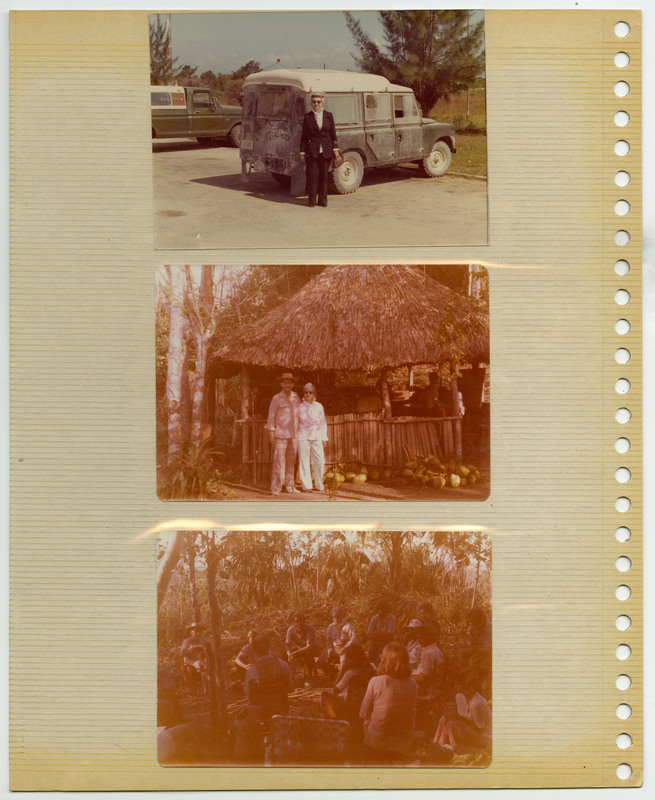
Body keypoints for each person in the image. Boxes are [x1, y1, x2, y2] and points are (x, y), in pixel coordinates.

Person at [359, 642, 417, 764]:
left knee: (365, 721)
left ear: (385, 660)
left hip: (379, 739)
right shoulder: (412, 683)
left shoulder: (376, 681)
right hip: (404, 739)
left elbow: (363, 714)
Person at [320, 643, 375, 733]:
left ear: (351, 658)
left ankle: (334, 722)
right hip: (368, 703)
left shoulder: (351, 672)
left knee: (323, 695)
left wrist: (342, 669)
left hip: (352, 706)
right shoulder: (373, 666)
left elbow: (335, 690)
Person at [299, 92, 340, 208]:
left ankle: (323, 201)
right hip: (312, 152)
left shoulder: (329, 115)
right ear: (311, 103)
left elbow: (333, 133)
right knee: (312, 176)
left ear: (322, 102)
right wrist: (302, 152)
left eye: (318, 102)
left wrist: (335, 148)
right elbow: (304, 136)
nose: (316, 104)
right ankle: (312, 201)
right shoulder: (307, 117)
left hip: (326, 151)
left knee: (324, 177)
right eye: (313, 102)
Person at [244, 635, 296, 718]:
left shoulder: (251, 672)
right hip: (281, 715)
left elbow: (249, 695)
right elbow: (291, 688)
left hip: (260, 716)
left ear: (254, 651)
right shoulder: (283, 665)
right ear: (269, 647)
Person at [267, 372, 301, 496]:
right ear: (281, 384)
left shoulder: (296, 396)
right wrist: (271, 432)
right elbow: (271, 416)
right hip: (280, 434)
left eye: (290, 383)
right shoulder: (276, 398)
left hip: (293, 435)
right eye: (285, 382)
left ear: (293, 384)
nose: (288, 385)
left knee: (291, 461)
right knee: (278, 461)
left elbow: (299, 414)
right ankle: (276, 487)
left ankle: (290, 486)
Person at [297, 383, 328, 492]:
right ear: (303, 393)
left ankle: (319, 484)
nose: (308, 394)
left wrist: (324, 437)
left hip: (317, 435)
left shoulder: (319, 406)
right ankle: (307, 486)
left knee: (320, 461)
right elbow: (296, 422)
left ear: (314, 393)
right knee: (304, 460)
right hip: (303, 436)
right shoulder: (299, 407)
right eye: (306, 392)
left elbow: (323, 422)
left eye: (310, 392)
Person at [285, 611, 321, 686]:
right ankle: (288, 678)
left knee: (308, 654)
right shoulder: (290, 630)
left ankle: (308, 678)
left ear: (304, 621)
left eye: (300, 621)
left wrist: (294, 653)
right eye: (296, 621)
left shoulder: (309, 629)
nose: (299, 623)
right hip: (299, 649)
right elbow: (287, 644)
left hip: (313, 648)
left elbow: (309, 646)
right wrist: (289, 654)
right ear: (294, 622)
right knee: (284, 656)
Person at [179, 624, 208, 696]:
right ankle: (193, 694)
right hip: (190, 663)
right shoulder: (187, 641)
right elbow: (182, 652)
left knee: (208, 668)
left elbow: (211, 651)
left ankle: (208, 692)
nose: (198, 633)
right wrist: (193, 648)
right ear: (191, 632)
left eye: (199, 631)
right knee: (194, 668)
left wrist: (205, 649)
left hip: (201, 662)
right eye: (195, 631)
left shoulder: (204, 641)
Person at [366, 598, 397, 665]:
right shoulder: (374, 618)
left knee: (381, 662)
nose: (381, 611)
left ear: (387, 609)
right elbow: (369, 635)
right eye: (380, 609)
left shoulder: (392, 619)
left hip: (386, 644)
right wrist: (382, 635)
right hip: (374, 644)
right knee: (370, 662)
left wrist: (377, 632)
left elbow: (389, 636)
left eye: (383, 608)